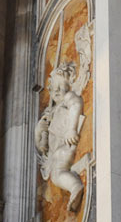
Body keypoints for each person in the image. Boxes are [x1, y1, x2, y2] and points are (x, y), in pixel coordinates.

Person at [34, 62, 85, 212]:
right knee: (56, 173)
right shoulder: (52, 111)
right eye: (53, 88)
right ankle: (74, 184)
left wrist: (71, 129)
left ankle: (75, 186)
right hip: (56, 150)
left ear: (69, 85)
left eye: (60, 86)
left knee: (57, 173)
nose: (56, 90)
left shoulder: (69, 98)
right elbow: (42, 147)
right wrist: (39, 132)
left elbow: (76, 104)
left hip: (66, 143)